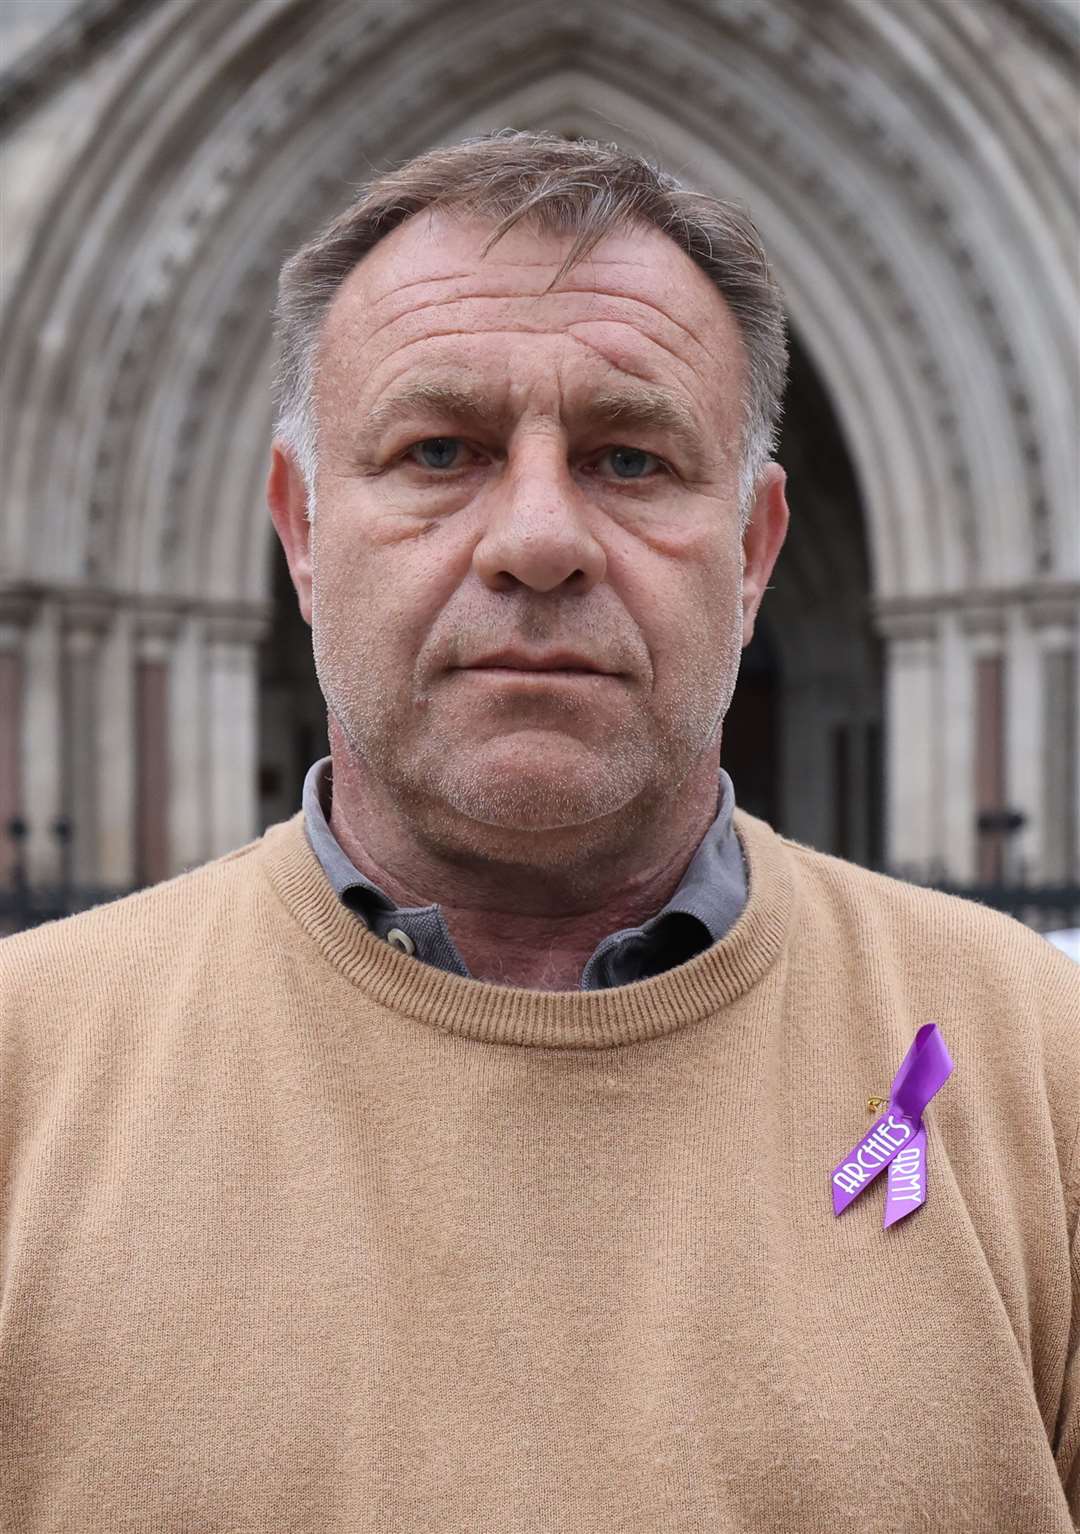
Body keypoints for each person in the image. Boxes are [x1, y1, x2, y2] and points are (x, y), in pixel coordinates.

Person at [1, 131, 1076, 1533]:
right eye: (437, 449)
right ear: (303, 531)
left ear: (753, 551)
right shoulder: (24, 1075)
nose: (538, 536)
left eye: (630, 458)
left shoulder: (1038, 1069)